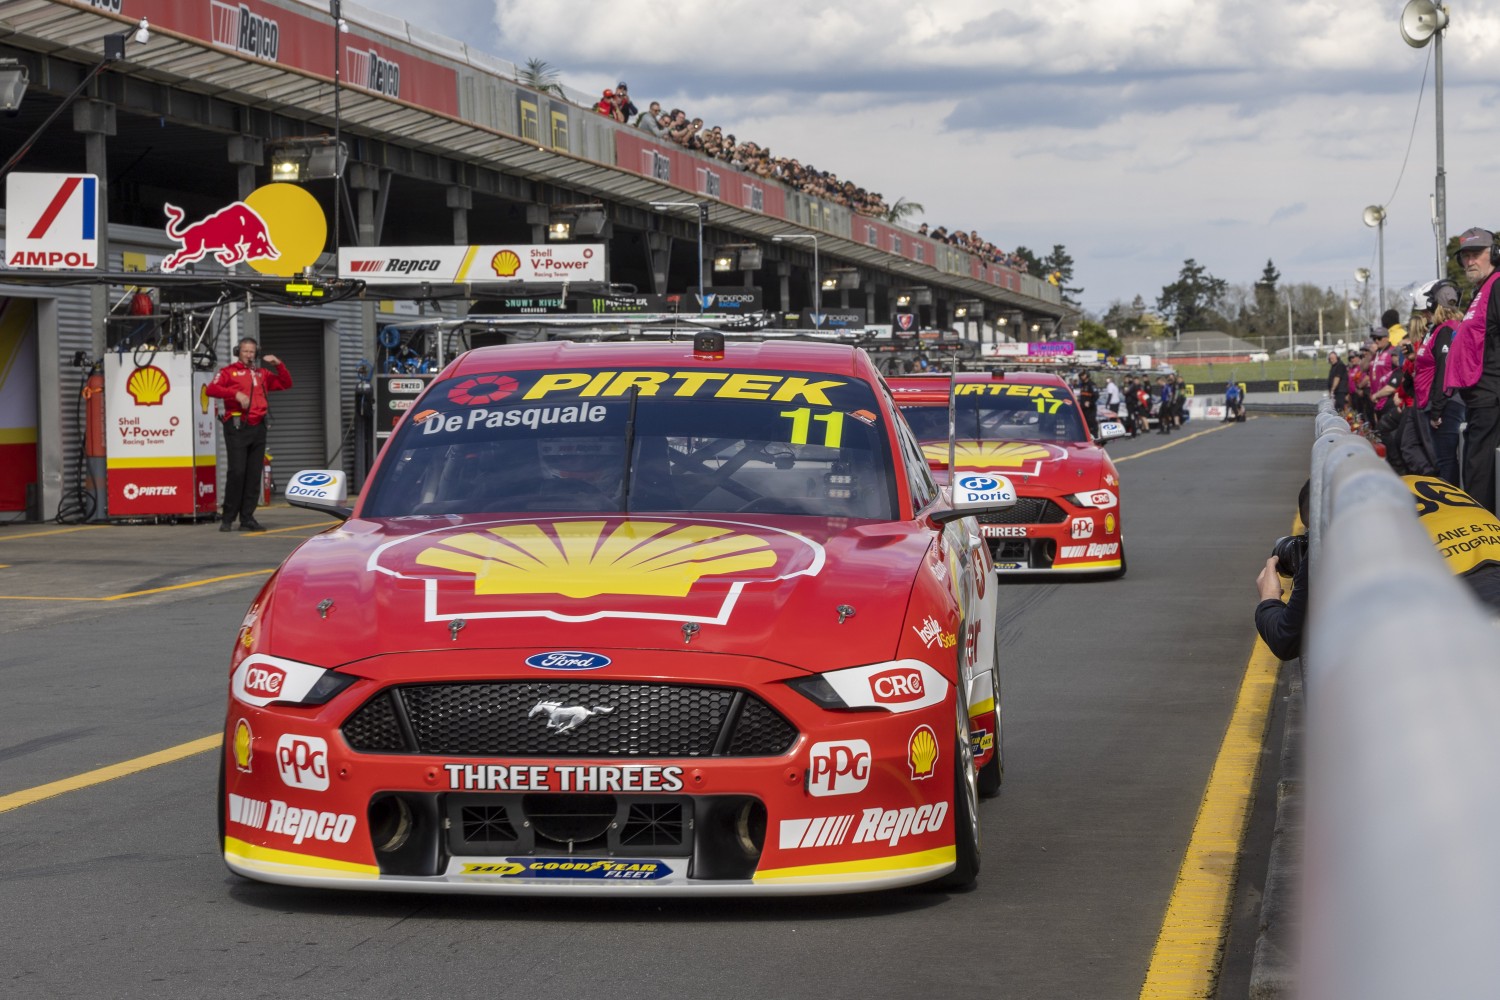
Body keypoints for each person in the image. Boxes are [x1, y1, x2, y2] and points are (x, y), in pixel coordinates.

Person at [206, 337, 291, 532]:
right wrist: (234, 394)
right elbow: (211, 389)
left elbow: (286, 383)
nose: (249, 355)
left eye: (252, 352)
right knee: (237, 472)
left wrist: (279, 364)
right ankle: (228, 517)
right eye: (245, 351)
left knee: (253, 475)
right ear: (238, 352)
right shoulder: (228, 372)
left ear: (256, 353)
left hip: (258, 427)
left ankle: (247, 518)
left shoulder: (262, 374)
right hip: (237, 427)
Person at [1446, 226, 1500, 513]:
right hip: (1480, 400)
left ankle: (1485, 547)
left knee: (1479, 475)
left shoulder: (1497, 285)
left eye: (1476, 254)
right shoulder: (1481, 290)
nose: (1469, 262)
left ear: (1493, 253)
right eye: (1465, 256)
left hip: (1491, 396)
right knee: (1478, 472)